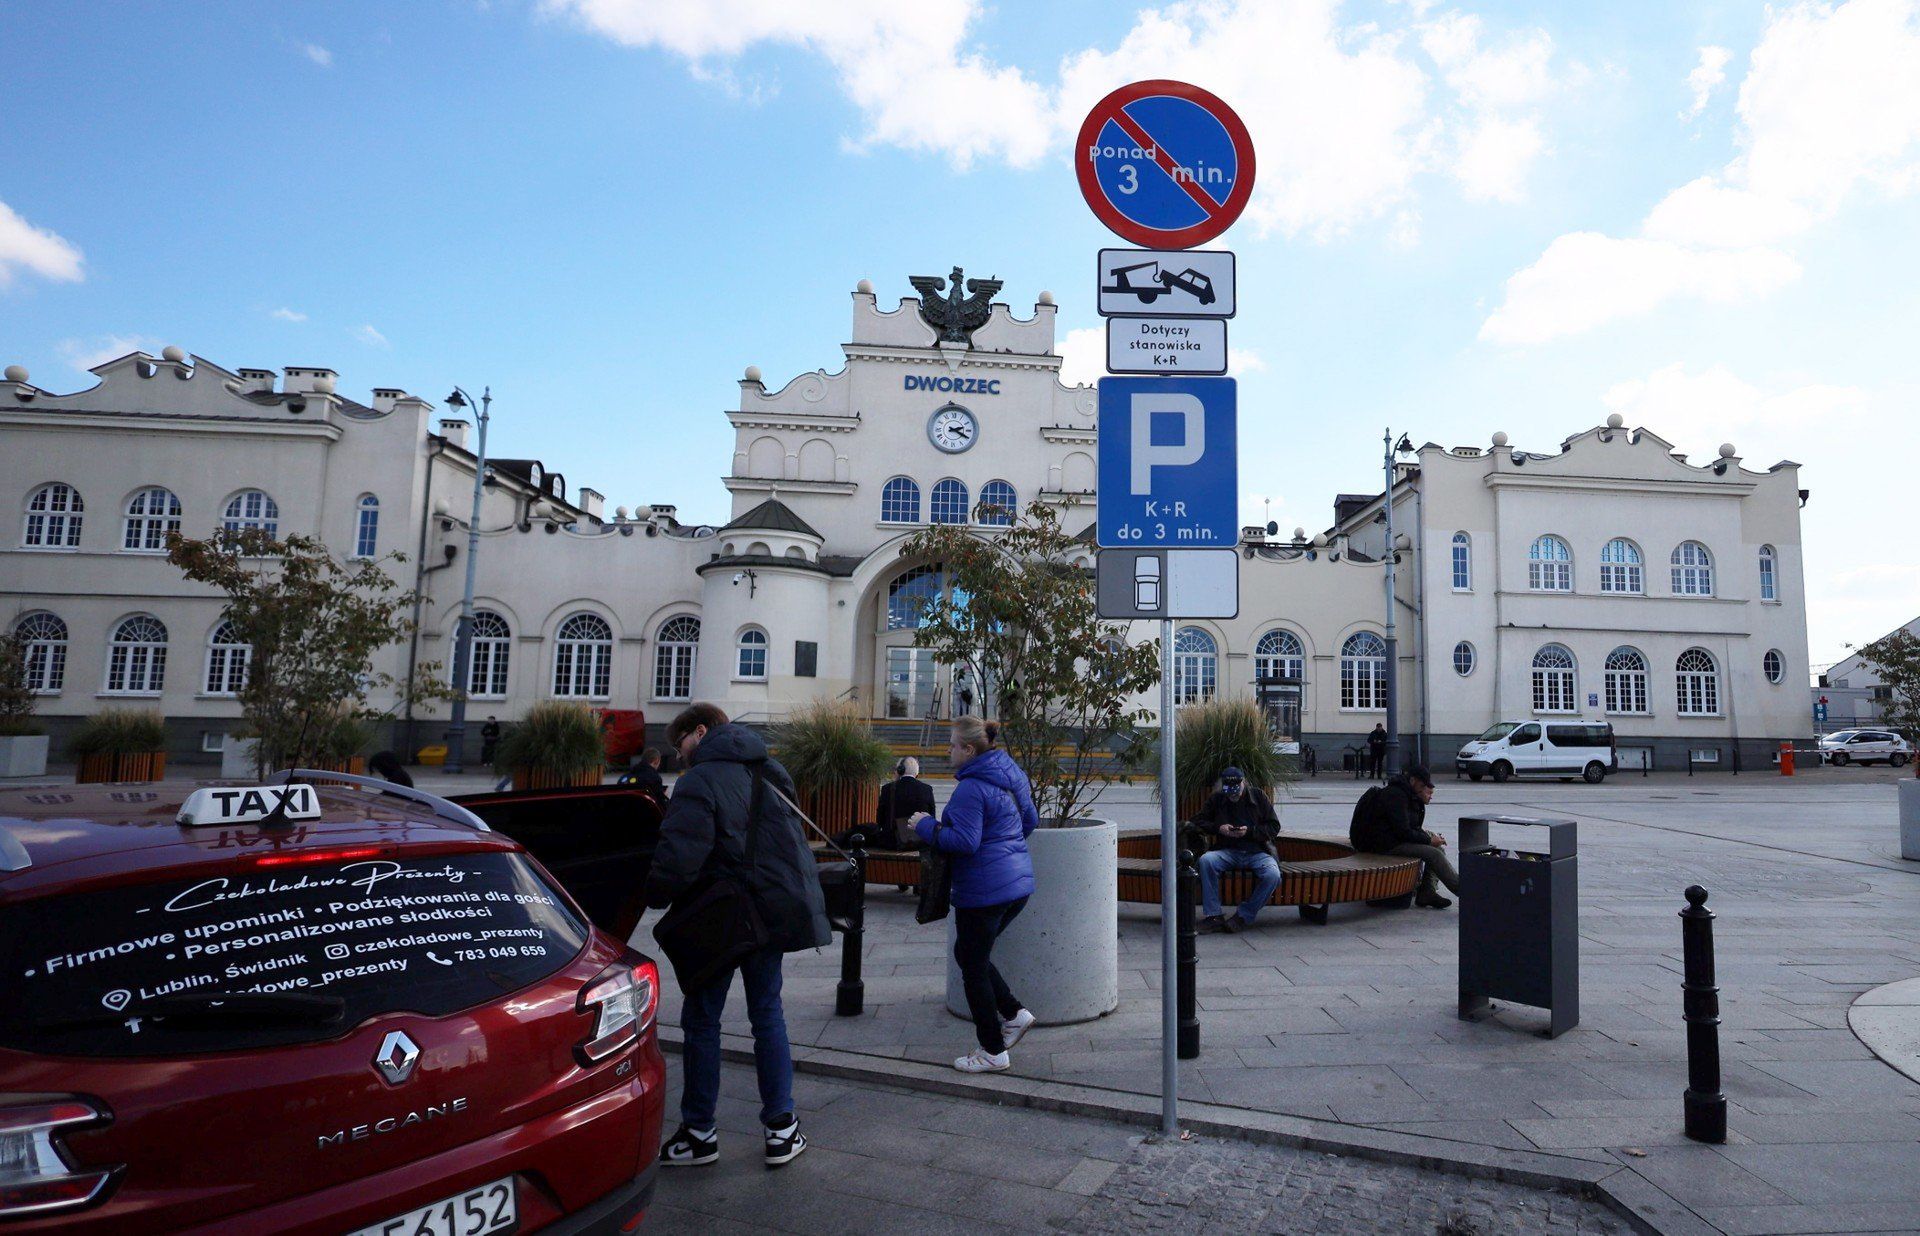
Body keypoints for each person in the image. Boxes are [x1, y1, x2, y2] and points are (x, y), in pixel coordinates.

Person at [645, 703, 829, 1170]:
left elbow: (679, 858)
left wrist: (654, 893)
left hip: (722, 918)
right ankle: (782, 1129)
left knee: (702, 1019)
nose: (680, 754)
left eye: (681, 743)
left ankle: (699, 1134)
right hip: (769, 914)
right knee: (767, 1015)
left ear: (700, 731)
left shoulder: (698, 780)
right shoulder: (772, 770)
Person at [910, 716, 1039, 1074]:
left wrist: (925, 825)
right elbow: (1029, 822)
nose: (948, 750)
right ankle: (1014, 1013)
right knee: (970, 955)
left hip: (984, 891)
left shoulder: (971, 788)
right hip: (1015, 886)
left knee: (972, 966)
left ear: (968, 750)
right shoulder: (1011, 775)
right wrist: (1004, 849)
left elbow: (965, 842)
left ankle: (992, 1050)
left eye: (952, 745)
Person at [1349, 764, 1458, 909]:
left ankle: (1427, 892)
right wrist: (1429, 840)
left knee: (1438, 850)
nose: (1423, 788)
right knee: (1434, 854)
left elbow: (1411, 827)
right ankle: (1465, 890)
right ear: (1412, 780)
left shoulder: (1409, 795)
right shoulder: (1396, 795)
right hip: (1382, 845)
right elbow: (1403, 832)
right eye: (1422, 785)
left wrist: (1430, 839)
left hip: (1392, 840)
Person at [1193, 767, 1282, 934]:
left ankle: (1243, 916)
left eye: (1236, 791)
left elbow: (1273, 826)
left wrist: (1249, 831)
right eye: (1229, 792)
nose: (1233, 795)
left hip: (1257, 852)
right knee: (1206, 861)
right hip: (1227, 851)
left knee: (1273, 875)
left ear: (1243, 783)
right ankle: (1214, 915)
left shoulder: (1258, 796)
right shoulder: (1217, 798)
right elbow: (1197, 821)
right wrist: (1219, 828)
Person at [874, 756, 935, 848]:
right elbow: (932, 817)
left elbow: (880, 819)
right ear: (917, 772)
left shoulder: (887, 789)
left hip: (893, 843)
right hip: (920, 842)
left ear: (900, 770)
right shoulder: (927, 789)